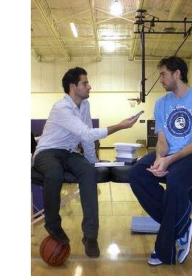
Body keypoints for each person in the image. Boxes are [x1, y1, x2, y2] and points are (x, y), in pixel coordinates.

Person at [33, 67, 138, 258]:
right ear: (73, 87)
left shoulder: (85, 106)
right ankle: (52, 224)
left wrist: (93, 162)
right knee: (54, 173)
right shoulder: (61, 108)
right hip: (47, 152)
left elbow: (87, 139)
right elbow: (87, 133)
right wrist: (120, 126)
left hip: (70, 152)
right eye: (85, 83)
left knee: (89, 172)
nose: (89, 86)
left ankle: (90, 236)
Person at [129, 56, 192, 265]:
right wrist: (160, 158)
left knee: (175, 180)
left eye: (163, 74)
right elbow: (162, 140)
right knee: (137, 173)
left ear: (177, 73)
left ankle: (164, 248)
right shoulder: (161, 103)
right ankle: (183, 224)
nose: (160, 79)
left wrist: (169, 162)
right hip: (170, 153)